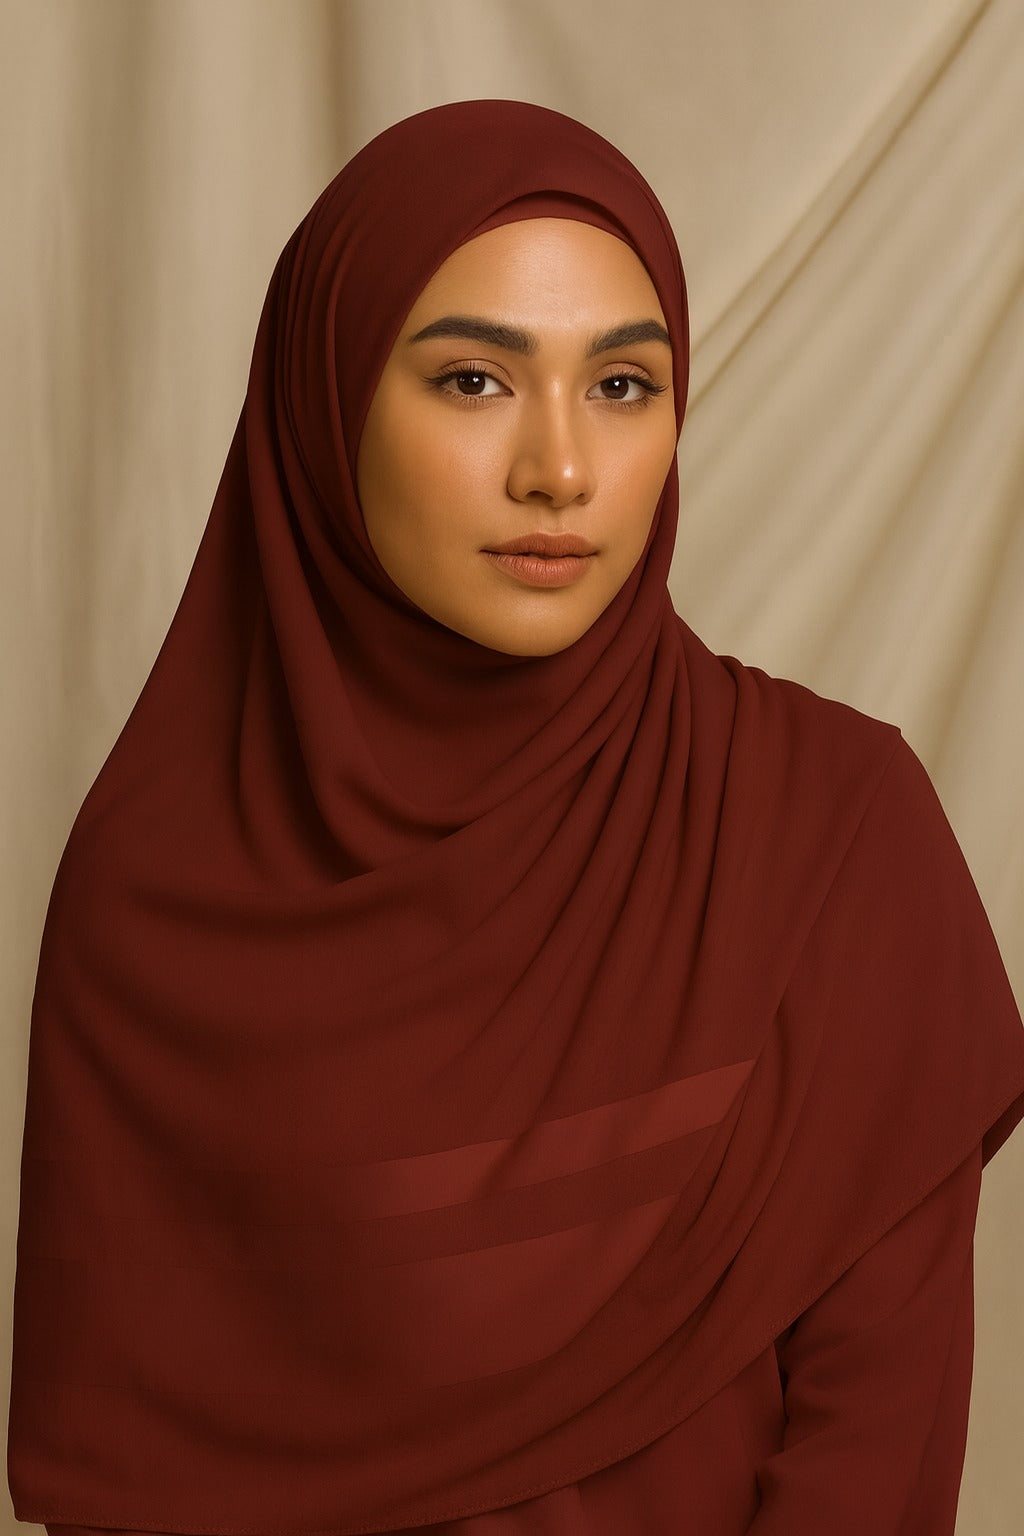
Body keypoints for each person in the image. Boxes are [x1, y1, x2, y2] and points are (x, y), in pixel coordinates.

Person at [7, 99, 1024, 1536]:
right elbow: (133, 1479)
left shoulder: (835, 840)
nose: (560, 471)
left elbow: (874, 1460)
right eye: (476, 380)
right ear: (324, 399)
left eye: (622, 386)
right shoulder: (156, 902)